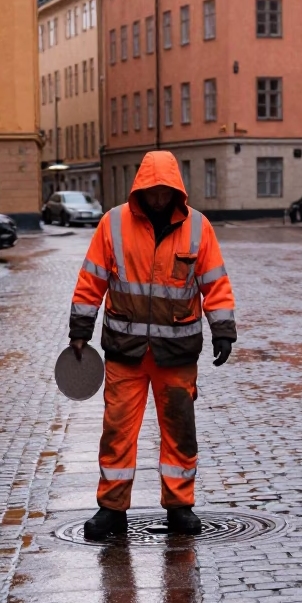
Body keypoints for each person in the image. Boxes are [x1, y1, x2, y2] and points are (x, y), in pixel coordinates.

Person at [69, 150, 237, 541]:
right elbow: (90, 279)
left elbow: (215, 282)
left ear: (176, 190)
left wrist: (224, 330)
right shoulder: (113, 224)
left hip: (175, 355)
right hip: (125, 351)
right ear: (141, 189)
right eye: (153, 190)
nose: (159, 198)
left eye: (165, 191)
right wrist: (80, 329)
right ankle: (111, 510)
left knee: (179, 432)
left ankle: (180, 507)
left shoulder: (199, 227)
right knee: (117, 432)